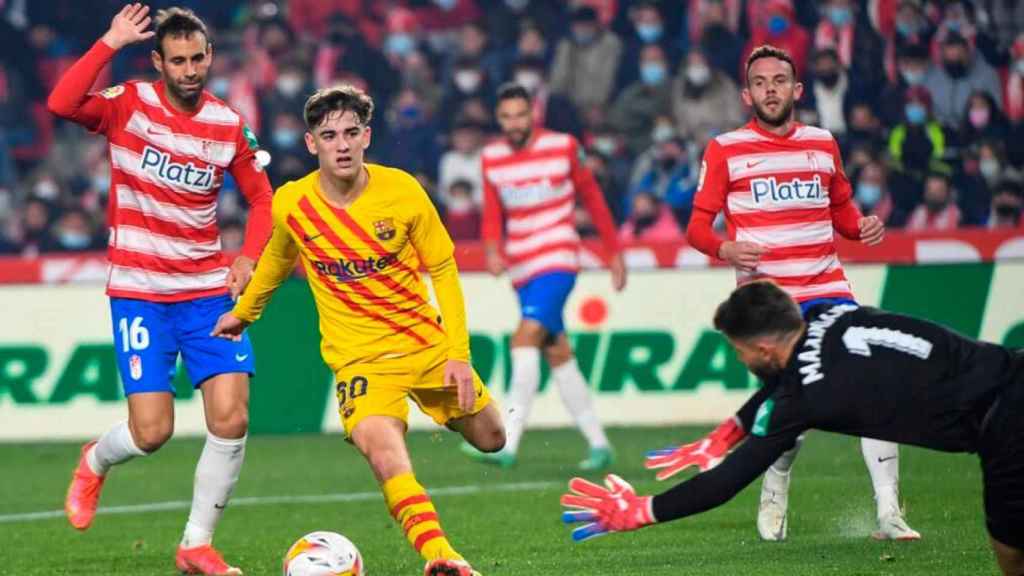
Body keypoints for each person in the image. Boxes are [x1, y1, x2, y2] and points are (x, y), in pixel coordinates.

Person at [211, 85, 504, 576]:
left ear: (366, 137)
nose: (341, 144)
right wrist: (247, 313)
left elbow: (445, 272)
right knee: (381, 449)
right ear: (312, 144)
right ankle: (442, 557)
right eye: (329, 135)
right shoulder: (294, 203)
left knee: (493, 437)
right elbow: (278, 261)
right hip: (359, 361)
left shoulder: (403, 191)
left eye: (350, 133)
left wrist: (458, 353)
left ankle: (439, 409)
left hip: (425, 346)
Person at [561, 280, 1024, 576]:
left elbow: (727, 482)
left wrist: (644, 510)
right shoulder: (826, 313)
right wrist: (728, 432)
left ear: (762, 348)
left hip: (1005, 427)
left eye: (739, 351)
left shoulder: (805, 396)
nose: (741, 361)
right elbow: (785, 377)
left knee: (1011, 554)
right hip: (1013, 371)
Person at [48, 5, 273, 575]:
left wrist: (248, 257)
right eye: (178, 60)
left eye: (198, 57)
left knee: (232, 418)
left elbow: (264, 199)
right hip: (140, 291)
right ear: (158, 62)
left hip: (206, 294)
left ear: (210, 57)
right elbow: (62, 103)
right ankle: (95, 461)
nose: (191, 69)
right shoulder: (128, 103)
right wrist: (107, 42)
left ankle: (195, 544)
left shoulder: (227, 125)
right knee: (152, 431)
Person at [682, 44, 919, 542]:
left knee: (871, 389)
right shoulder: (725, 148)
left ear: (797, 89)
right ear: (748, 94)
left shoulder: (821, 142)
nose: (771, 90)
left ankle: (890, 513)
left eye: (780, 80)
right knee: (794, 408)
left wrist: (863, 227)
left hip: (828, 286)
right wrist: (725, 248)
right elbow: (697, 228)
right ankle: (777, 482)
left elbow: (843, 209)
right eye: (762, 82)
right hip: (771, 301)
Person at [466, 83, 626, 471]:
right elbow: (492, 211)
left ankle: (506, 441)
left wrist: (614, 252)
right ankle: (599, 443)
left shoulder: (563, 146)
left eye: (521, 115)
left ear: (533, 114)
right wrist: (491, 248)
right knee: (557, 353)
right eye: (506, 117)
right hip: (521, 266)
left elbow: (592, 197)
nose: (514, 123)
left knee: (523, 340)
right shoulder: (491, 157)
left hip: (557, 258)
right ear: (498, 119)